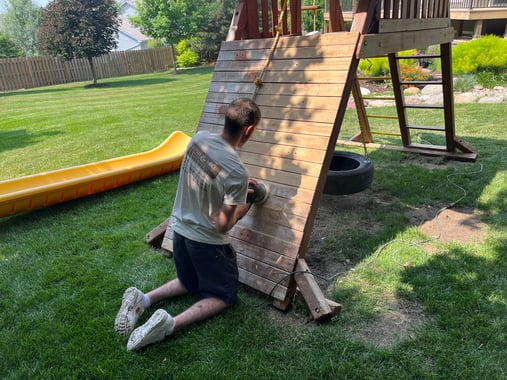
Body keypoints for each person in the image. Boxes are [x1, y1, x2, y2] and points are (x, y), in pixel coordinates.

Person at [114, 98, 262, 351]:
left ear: (225, 119)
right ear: (248, 130)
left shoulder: (198, 139)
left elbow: (207, 179)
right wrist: (248, 199)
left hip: (179, 231)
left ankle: (143, 299)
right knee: (223, 295)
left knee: (190, 281)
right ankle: (168, 325)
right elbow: (223, 225)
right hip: (207, 243)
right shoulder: (237, 172)